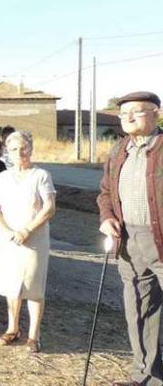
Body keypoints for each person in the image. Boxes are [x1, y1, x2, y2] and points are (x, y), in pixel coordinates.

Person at [98, 91, 163, 385]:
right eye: (123, 114)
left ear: (156, 113)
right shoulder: (118, 150)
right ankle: (146, 376)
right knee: (138, 309)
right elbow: (105, 193)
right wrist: (107, 217)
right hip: (129, 241)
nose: (128, 118)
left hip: (159, 239)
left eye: (136, 112)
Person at [0, 130, 55, 353]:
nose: (20, 153)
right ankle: (12, 328)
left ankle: (33, 336)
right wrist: (6, 230)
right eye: (14, 149)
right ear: (7, 152)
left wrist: (27, 230)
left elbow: (49, 207)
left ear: (31, 149)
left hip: (33, 239)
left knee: (33, 287)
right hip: (8, 239)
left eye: (23, 148)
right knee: (12, 285)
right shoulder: (4, 177)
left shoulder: (41, 175)